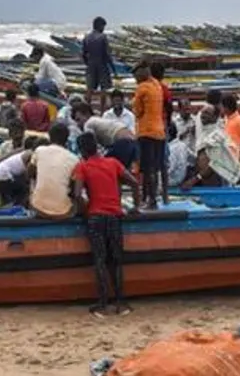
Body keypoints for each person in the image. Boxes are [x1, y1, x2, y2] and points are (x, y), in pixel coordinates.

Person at [72, 131, 138, 317]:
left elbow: (77, 195)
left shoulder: (82, 167)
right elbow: (133, 182)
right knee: (116, 260)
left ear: (82, 150)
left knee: (100, 260)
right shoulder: (113, 163)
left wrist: (85, 209)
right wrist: (136, 207)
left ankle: (102, 303)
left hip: (95, 217)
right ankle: (121, 302)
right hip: (115, 216)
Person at [179, 105, 240, 189]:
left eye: (207, 113)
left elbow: (214, 164)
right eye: (202, 112)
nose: (203, 115)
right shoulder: (204, 132)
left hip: (215, 179)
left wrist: (193, 180)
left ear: (215, 117)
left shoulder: (217, 135)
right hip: (204, 178)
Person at [27, 123, 80, 219]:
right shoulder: (74, 159)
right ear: (67, 139)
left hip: (37, 208)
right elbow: (74, 189)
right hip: (63, 212)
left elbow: (29, 173)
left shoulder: (40, 150)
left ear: (50, 137)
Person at [131, 64, 166, 208]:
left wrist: (133, 103)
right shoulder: (158, 85)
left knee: (146, 168)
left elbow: (138, 111)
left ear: (142, 73)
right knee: (156, 167)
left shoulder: (142, 88)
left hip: (146, 132)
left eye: (136, 76)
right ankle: (153, 198)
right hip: (160, 132)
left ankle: (150, 200)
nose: (135, 79)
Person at [75, 102, 139, 172]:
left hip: (123, 143)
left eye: (78, 119)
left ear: (87, 114)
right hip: (133, 144)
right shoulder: (98, 120)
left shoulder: (88, 123)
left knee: (102, 167)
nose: (77, 124)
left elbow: (89, 144)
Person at [0, 140, 41, 207]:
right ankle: (17, 207)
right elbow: (28, 174)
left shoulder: (24, 152)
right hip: (2, 175)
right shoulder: (31, 155)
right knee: (25, 189)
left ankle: (7, 206)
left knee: (14, 189)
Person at [81, 16, 118, 100]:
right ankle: (102, 109)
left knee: (89, 89)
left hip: (91, 66)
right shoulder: (103, 37)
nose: (103, 29)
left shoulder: (86, 37)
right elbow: (107, 55)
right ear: (99, 26)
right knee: (103, 89)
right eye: (103, 26)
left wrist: (87, 63)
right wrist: (113, 69)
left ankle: (87, 107)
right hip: (102, 66)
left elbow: (83, 54)